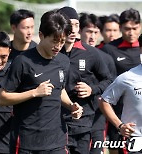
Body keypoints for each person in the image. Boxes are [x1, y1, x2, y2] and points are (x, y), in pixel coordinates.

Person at [0, 9, 83, 154]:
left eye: (62, 41)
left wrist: (71, 106)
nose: (58, 46)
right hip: (26, 140)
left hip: (57, 139)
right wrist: (34, 93)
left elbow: (59, 89)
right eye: (54, 41)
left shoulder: (63, 61)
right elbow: (2, 98)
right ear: (41, 35)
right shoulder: (22, 61)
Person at [59, 7, 113, 154]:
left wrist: (92, 89)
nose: (73, 29)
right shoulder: (51, 52)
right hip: (55, 124)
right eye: (69, 24)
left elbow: (109, 80)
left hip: (83, 124)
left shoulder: (91, 53)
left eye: (76, 25)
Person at [101, 8, 141, 154]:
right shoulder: (108, 50)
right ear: (121, 27)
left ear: (140, 27)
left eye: (135, 28)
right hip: (117, 114)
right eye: (127, 29)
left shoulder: (141, 48)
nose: (131, 33)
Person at [78, 12, 116, 154]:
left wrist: (94, 90)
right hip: (73, 117)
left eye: (95, 31)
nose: (92, 36)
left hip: (97, 118)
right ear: (80, 31)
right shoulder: (68, 55)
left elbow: (112, 84)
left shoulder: (106, 58)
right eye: (88, 31)